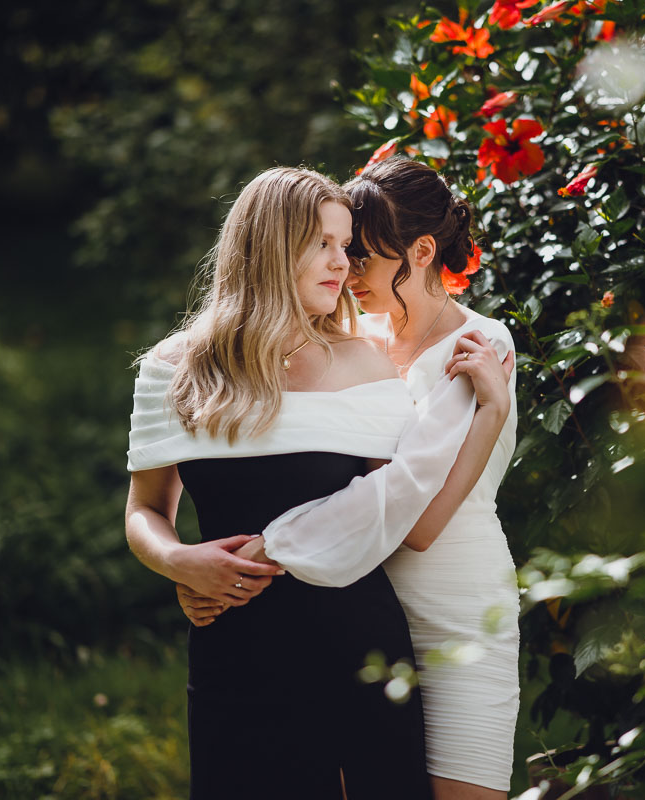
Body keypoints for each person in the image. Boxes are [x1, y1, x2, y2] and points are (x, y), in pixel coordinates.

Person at [123, 166, 512, 799]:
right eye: (323, 244)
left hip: (355, 641)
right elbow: (144, 509)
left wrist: (492, 411)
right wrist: (179, 563)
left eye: (347, 245)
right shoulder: (173, 368)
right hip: (230, 642)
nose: (343, 264)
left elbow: (401, 507)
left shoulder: (365, 364)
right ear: (270, 248)